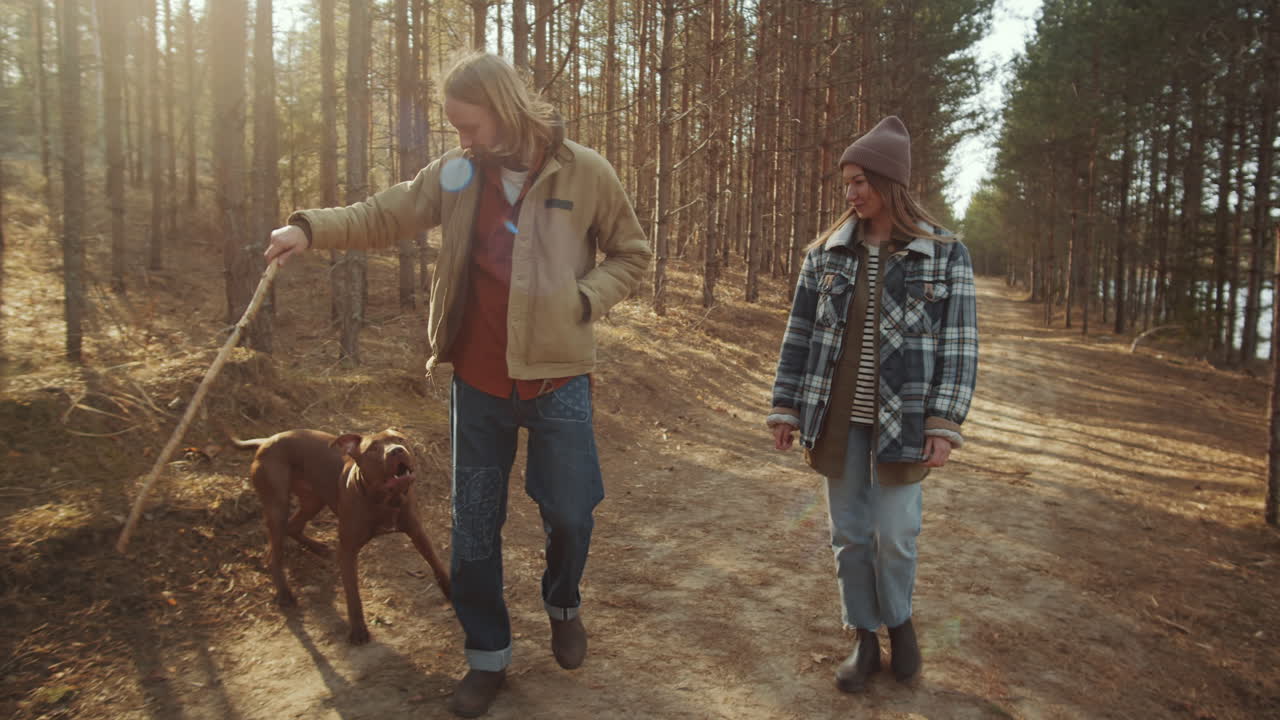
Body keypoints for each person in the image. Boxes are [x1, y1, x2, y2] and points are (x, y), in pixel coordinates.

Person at [265, 51, 651, 718]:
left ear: (506, 110)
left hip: (559, 380)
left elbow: (632, 253)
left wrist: (586, 298)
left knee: (570, 512)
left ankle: (563, 603)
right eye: (454, 128)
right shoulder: (459, 171)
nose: (462, 139)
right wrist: (308, 228)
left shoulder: (585, 171)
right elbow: (386, 213)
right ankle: (487, 656)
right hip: (477, 383)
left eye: (470, 125)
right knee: (473, 529)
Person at [766, 115, 978, 693]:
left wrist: (943, 423)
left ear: (890, 183)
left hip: (904, 422)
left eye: (860, 181)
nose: (852, 194)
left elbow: (960, 348)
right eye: (847, 183)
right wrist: (786, 407)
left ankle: (900, 625)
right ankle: (863, 637)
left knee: (896, 533)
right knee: (850, 535)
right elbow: (799, 336)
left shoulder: (945, 254)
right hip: (836, 420)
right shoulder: (826, 255)